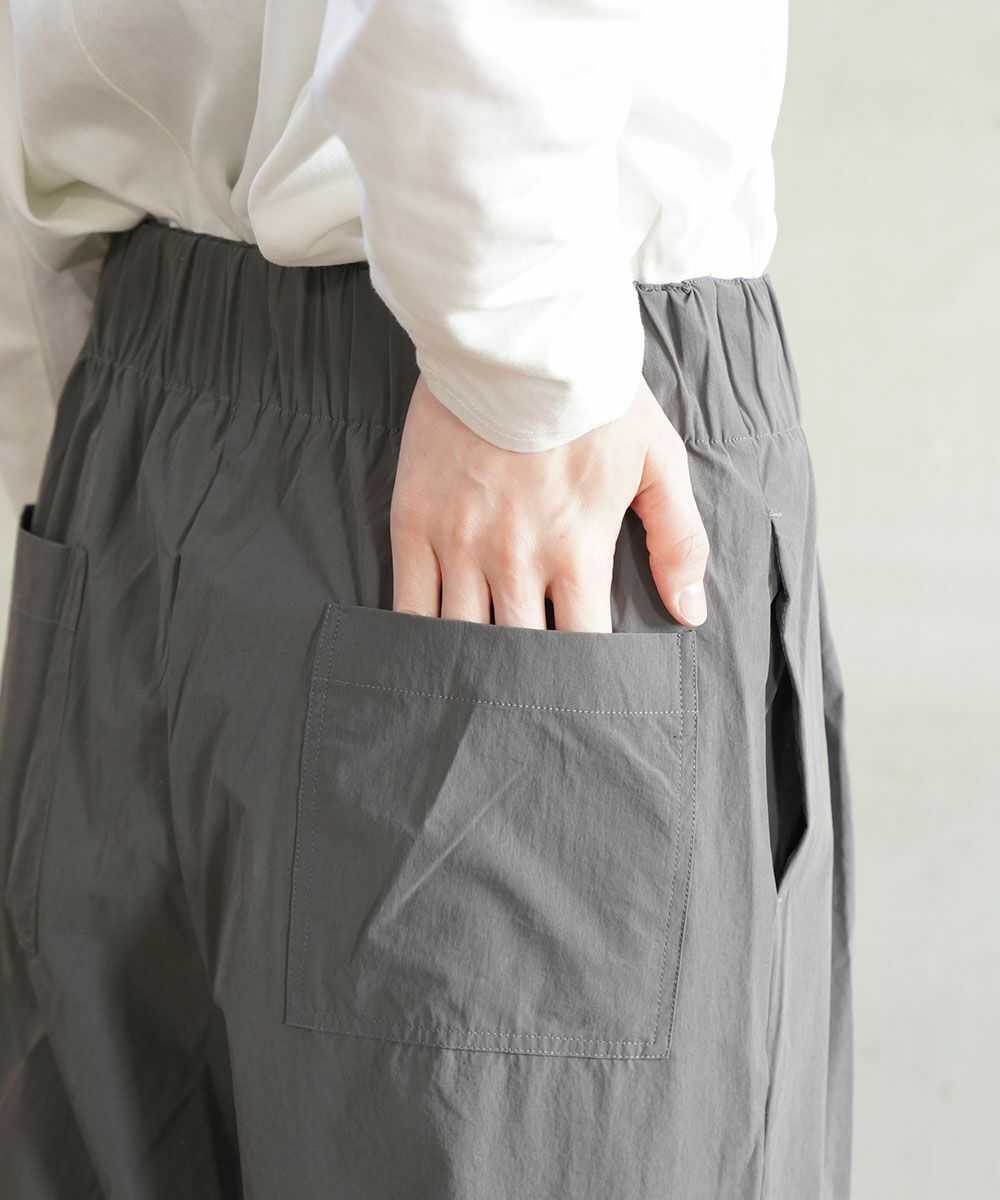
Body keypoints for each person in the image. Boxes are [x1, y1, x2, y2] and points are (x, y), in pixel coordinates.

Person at [0, 2, 854, 1198]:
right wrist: (524, 362)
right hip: (503, 444)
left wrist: (72, 435)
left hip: (136, 415)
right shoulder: (517, 356)